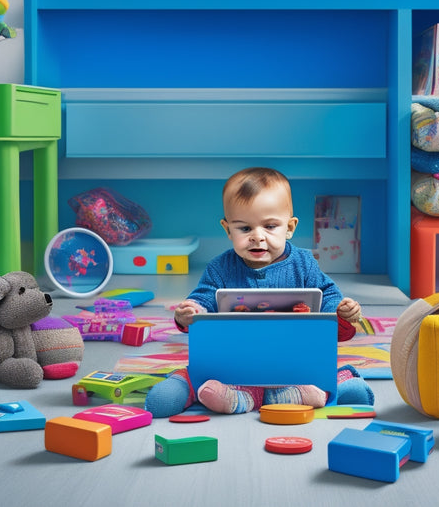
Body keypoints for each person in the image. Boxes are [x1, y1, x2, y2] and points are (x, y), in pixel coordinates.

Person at [144, 167, 374, 417]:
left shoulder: (304, 264)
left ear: (290, 228)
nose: (257, 237)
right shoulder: (220, 268)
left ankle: (268, 395)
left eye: (270, 226)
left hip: (294, 361)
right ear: (227, 229)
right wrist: (190, 312)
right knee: (200, 376)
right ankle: (224, 391)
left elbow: (328, 297)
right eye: (244, 229)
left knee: (322, 369)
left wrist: (341, 311)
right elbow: (202, 300)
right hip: (233, 364)